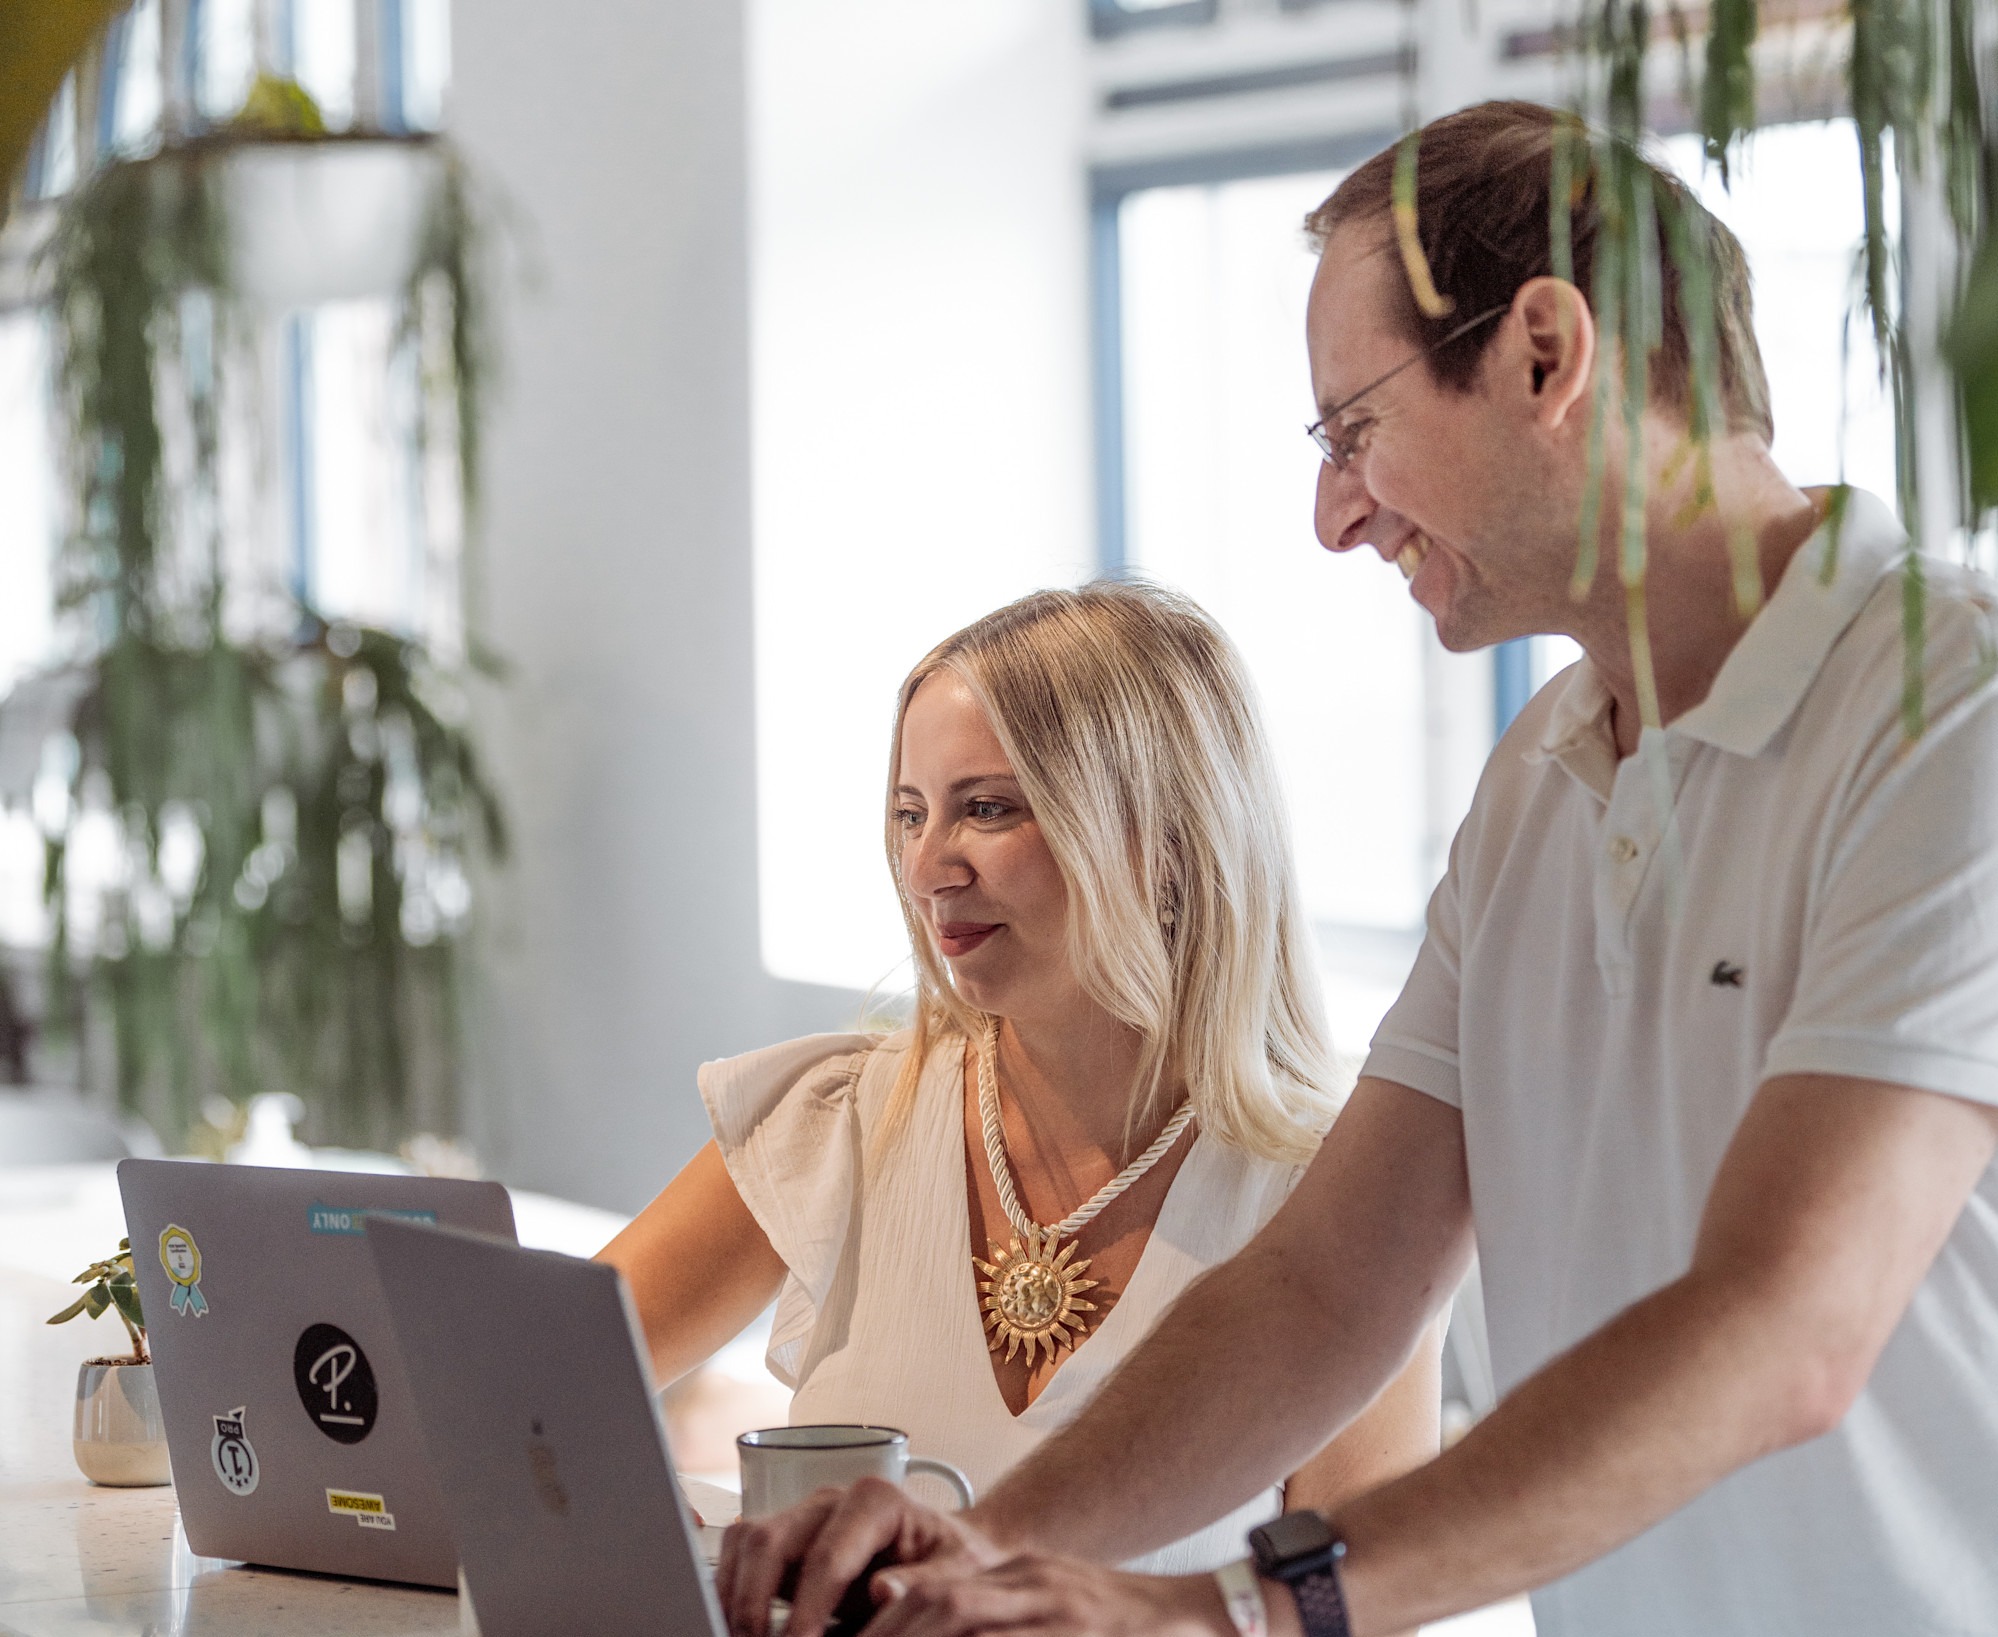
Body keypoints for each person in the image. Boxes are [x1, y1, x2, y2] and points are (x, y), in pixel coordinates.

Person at [716, 99, 1998, 1637]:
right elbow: (1325, 1287)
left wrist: (1225, 1614)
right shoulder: (1535, 785)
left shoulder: (1948, 721)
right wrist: (983, 1550)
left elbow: (1785, 1324)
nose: (1334, 516)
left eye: (1353, 430)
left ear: (1542, 351)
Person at [599, 581, 1444, 1574]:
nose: (927, 868)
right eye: (911, 813)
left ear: (1167, 839)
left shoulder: (1346, 1199)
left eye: (987, 808)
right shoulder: (832, 1120)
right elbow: (517, 1392)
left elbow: (1366, 1608)